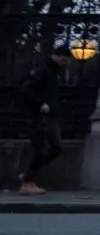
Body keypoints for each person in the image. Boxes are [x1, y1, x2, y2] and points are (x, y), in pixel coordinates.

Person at [12, 48, 70, 195]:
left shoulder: (53, 72)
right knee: (41, 148)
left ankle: (28, 176)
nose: (65, 63)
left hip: (50, 115)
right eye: (63, 60)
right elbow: (26, 90)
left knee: (56, 148)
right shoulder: (43, 70)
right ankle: (27, 182)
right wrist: (40, 104)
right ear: (55, 56)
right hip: (41, 115)